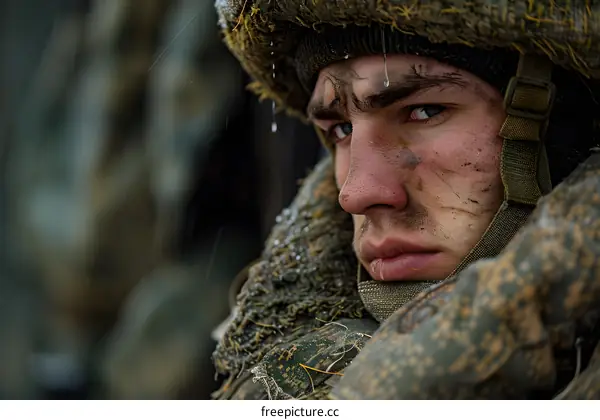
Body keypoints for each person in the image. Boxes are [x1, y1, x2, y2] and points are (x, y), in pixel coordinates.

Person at [211, 0, 600, 399]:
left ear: (558, 130)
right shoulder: (272, 355)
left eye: (424, 111)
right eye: (342, 129)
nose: (356, 195)